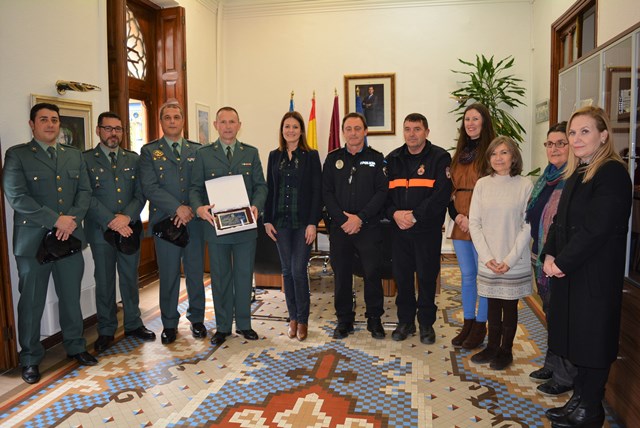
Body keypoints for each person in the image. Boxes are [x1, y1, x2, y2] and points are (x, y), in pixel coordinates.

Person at [542, 106, 632, 428]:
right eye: (573, 132)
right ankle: (578, 398)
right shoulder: (578, 171)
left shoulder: (611, 173)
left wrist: (562, 262)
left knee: (593, 341)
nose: (576, 138)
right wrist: (549, 255)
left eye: (585, 132)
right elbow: (558, 222)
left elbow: (598, 229)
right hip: (571, 272)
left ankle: (590, 408)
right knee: (577, 339)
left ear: (603, 135)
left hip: (593, 276)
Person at [3, 103, 98, 384]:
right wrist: (56, 219)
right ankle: (30, 359)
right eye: (43, 119)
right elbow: (16, 196)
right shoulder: (18, 155)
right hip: (33, 242)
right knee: (31, 303)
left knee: (71, 297)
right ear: (31, 124)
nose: (50, 124)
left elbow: (84, 191)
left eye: (54, 120)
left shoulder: (73, 155)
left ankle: (76, 346)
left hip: (68, 239)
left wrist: (71, 220)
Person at [190, 106, 268, 346]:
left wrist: (256, 205)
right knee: (221, 278)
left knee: (244, 276)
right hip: (216, 228)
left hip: (245, 227)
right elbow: (194, 188)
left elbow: (261, 186)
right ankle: (223, 326)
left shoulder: (250, 153)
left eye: (231, 122)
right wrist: (199, 208)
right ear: (215, 125)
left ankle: (244, 324)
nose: (227, 126)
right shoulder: (203, 154)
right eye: (222, 122)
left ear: (239, 124)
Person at [84, 112, 155, 353]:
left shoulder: (133, 159)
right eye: (108, 128)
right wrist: (111, 220)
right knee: (103, 281)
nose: (113, 133)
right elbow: (86, 196)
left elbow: (140, 193)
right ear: (98, 131)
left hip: (128, 230)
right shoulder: (86, 160)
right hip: (100, 231)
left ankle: (133, 323)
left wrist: (126, 217)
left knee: (129, 278)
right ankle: (106, 329)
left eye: (118, 129)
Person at [139, 101, 206, 345]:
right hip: (165, 224)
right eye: (167, 117)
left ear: (183, 120)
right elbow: (149, 186)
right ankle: (169, 323)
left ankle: (197, 319)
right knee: (168, 276)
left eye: (176, 117)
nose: (172, 121)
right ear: (161, 121)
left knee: (195, 272)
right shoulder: (149, 152)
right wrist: (176, 208)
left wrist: (188, 210)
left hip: (194, 223)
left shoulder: (197, 150)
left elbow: (200, 183)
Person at [385, 113, 452, 344]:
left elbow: (440, 196)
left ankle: (425, 324)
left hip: (426, 230)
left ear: (427, 131)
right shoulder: (392, 159)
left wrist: (413, 215)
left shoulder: (440, 158)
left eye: (417, 129)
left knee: (426, 278)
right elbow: (383, 195)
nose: (411, 134)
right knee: (402, 278)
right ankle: (405, 322)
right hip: (399, 231)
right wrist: (394, 213)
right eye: (407, 129)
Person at [468, 136, 533, 371]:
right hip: (489, 258)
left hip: (512, 260)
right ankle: (492, 346)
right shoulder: (483, 184)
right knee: (492, 305)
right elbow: (475, 223)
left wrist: (508, 260)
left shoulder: (525, 185)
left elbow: (528, 225)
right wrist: (488, 258)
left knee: (509, 306)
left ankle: (506, 351)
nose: (498, 158)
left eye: (504, 153)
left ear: (513, 156)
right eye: (494, 153)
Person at [322, 112, 388, 340]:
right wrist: (343, 220)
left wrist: (360, 218)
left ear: (365, 131)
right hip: (341, 229)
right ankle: (344, 319)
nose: (353, 133)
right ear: (343, 132)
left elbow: (382, 192)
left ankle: (374, 319)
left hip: (368, 228)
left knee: (372, 274)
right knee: (341, 275)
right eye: (348, 129)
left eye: (357, 128)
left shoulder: (377, 158)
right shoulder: (332, 159)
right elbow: (327, 193)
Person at [525, 122, 576, 397]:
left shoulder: (574, 179)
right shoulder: (548, 176)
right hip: (541, 257)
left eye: (561, 143)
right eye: (550, 143)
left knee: (562, 317)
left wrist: (555, 257)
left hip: (560, 262)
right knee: (551, 313)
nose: (554, 148)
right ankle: (552, 363)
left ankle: (564, 375)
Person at [264, 111, 322, 341]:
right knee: (287, 271)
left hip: (302, 224)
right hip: (280, 223)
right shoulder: (273, 156)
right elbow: (270, 190)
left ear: (301, 130)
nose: (290, 130)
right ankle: (293, 319)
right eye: (286, 126)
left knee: (299, 270)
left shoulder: (311, 156)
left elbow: (317, 192)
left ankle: (304, 319)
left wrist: (312, 223)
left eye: (295, 127)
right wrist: (267, 220)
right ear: (282, 130)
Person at [448, 103, 496, 349]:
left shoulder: (493, 151)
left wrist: (472, 219)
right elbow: (451, 191)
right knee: (467, 276)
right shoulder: (459, 153)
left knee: (484, 276)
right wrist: (457, 216)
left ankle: (481, 324)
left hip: (482, 221)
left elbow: (495, 190)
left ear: (484, 122)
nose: (470, 123)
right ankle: (468, 322)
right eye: (467, 119)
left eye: (475, 118)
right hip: (459, 221)